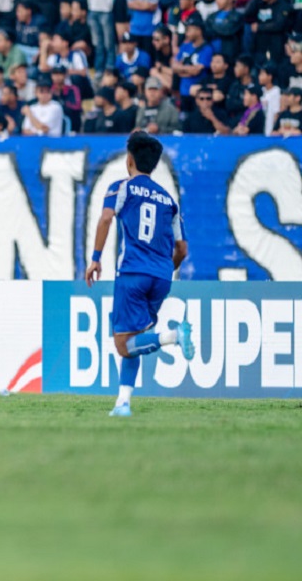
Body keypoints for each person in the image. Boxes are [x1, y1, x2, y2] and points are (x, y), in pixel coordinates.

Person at [86, 132, 194, 418]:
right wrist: (164, 269)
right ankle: (123, 403)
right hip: (161, 277)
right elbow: (182, 248)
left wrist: (95, 259)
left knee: (123, 344)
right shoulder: (169, 200)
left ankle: (173, 335)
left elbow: (106, 218)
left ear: (129, 159)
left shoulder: (122, 187)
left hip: (133, 272)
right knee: (134, 340)